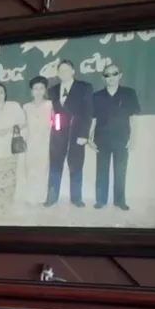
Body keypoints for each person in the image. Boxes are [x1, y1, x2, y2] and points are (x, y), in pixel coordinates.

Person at [89, 64, 140, 211]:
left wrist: (133, 138)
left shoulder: (129, 93)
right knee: (101, 171)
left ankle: (119, 201)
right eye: (107, 75)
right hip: (101, 138)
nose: (111, 77)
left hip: (121, 138)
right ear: (103, 78)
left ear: (120, 75)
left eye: (114, 73)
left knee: (120, 171)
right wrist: (90, 138)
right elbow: (93, 119)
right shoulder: (96, 96)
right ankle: (100, 200)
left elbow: (133, 118)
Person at [45, 60, 93, 208]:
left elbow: (88, 112)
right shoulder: (52, 90)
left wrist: (84, 135)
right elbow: (52, 113)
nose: (64, 73)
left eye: (67, 70)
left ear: (73, 71)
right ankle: (52, 198)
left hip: (77, 134)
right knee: (55, 166)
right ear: (58, 73)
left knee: (76, 166)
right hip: (58, 134)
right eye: (61, 70)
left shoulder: (84, 87)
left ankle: (76, 198)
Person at [20, 76, 53, 207]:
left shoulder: (50, 104)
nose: (38, 91)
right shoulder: (26, 107)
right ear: (31, 91)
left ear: (45, 90)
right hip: (30, 142)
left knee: (43, 170)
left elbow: (55, 123)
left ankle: (41, 198)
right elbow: (23, 123)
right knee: (30, 170)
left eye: (41, 88)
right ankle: (30, 197)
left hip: (46, 142)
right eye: (35, 89)